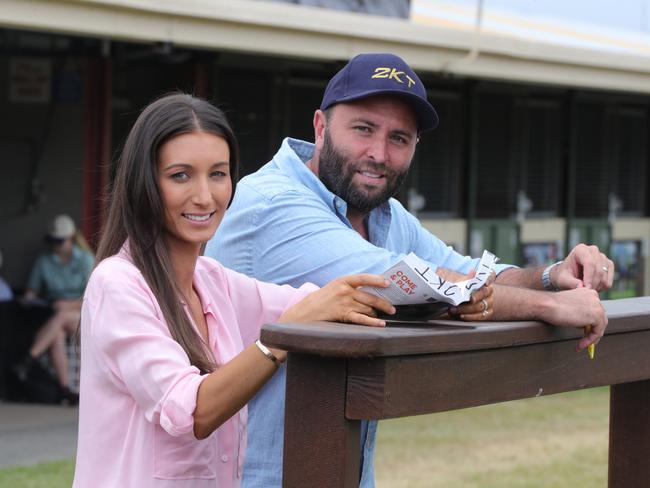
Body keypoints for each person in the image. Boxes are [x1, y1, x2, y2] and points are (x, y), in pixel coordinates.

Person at [206, 52, 613, 487]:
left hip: (339, 470)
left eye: (399, 138)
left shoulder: (385, 215)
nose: (378, 153)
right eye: (364, 129)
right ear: (321, 127)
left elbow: (468, 273)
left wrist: (554, 276)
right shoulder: (273, 204)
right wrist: (551, 308)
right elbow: (415, 287)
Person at [72, 93, 397, 488]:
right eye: (180, 175)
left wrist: (451, 298)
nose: (205, 196)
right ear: (145, 183)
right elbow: (191, 411)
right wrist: (278, 340)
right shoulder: (118, 284)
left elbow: (318, 303)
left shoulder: (214, 280)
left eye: (218, 174)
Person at [13, 214, 94, 404]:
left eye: (60, 240)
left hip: (83, 316)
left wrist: (67, 304)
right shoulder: (44, 261)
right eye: (52, 240)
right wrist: (30, 297)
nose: (56, 244)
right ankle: (65, 389)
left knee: (62, 315)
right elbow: (32, 290)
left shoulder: (85, 259)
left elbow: (93, 298)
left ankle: (29, 357)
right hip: (54, 314)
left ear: (71, 238)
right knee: (56, 331)